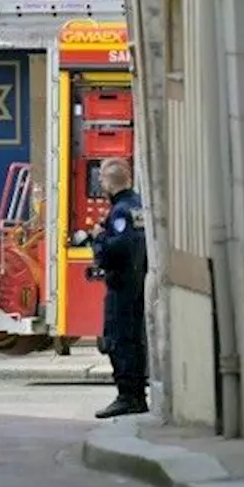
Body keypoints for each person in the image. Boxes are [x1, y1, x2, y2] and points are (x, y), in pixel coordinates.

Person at [87, 157, 150, 419]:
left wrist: (98, 237)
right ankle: (135, 396)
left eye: (101, 179)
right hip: (137, 283)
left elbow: (116, 250)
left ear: (109, 184)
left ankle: (128, 396)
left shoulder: (121, 211)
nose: (99, 183)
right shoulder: (137, 207)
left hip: (122, 285)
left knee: (119, 340)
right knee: (133, 340)